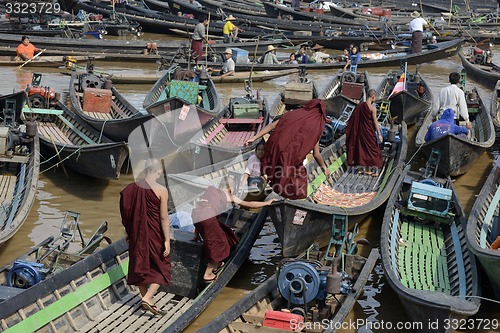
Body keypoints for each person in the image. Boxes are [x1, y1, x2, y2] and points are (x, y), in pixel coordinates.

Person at [192, 176, 274, 282]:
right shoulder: (227, 194)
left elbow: (200, 214)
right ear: (230, 188)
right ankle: (207, 274)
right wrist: (266, 203)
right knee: (220, 244)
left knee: (225, 234)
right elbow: (248, 204)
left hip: (195, 216)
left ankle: (218, 263)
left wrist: (196, 235)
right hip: (208, 219)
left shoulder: (210, 190)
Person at [246, 99, 331, 199]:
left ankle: (274, 197)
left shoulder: (292, 115)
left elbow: (272, 125)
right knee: (298, 186)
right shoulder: (315, 127)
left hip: (276, 151)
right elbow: (316, 154)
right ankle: (287, 202)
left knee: (279, 176)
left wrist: (255, 137)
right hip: (292, 158)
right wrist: (324, 168)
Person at [119, 158, 170, 316]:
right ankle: (148, 298)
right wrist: (167, 240)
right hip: (154, 234)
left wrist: (128, 231)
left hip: (136, 234)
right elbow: (163, 218)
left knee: (139, 267)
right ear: (158, 172)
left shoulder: (131, 188)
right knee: (163, 267)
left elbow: (126, 211)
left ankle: (147, 301)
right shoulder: (161, 190)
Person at [345, 89, 383, 175]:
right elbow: (375, 122)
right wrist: (379, 134)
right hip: (369, 132)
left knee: (361, 149)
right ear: (373, 97)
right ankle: (371, 170)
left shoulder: (360, 105)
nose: (374, 100)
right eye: (375, 98)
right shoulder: (372, 108)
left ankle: (363, 169)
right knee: (373, 149)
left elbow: (353, 118)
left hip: (360, 131)